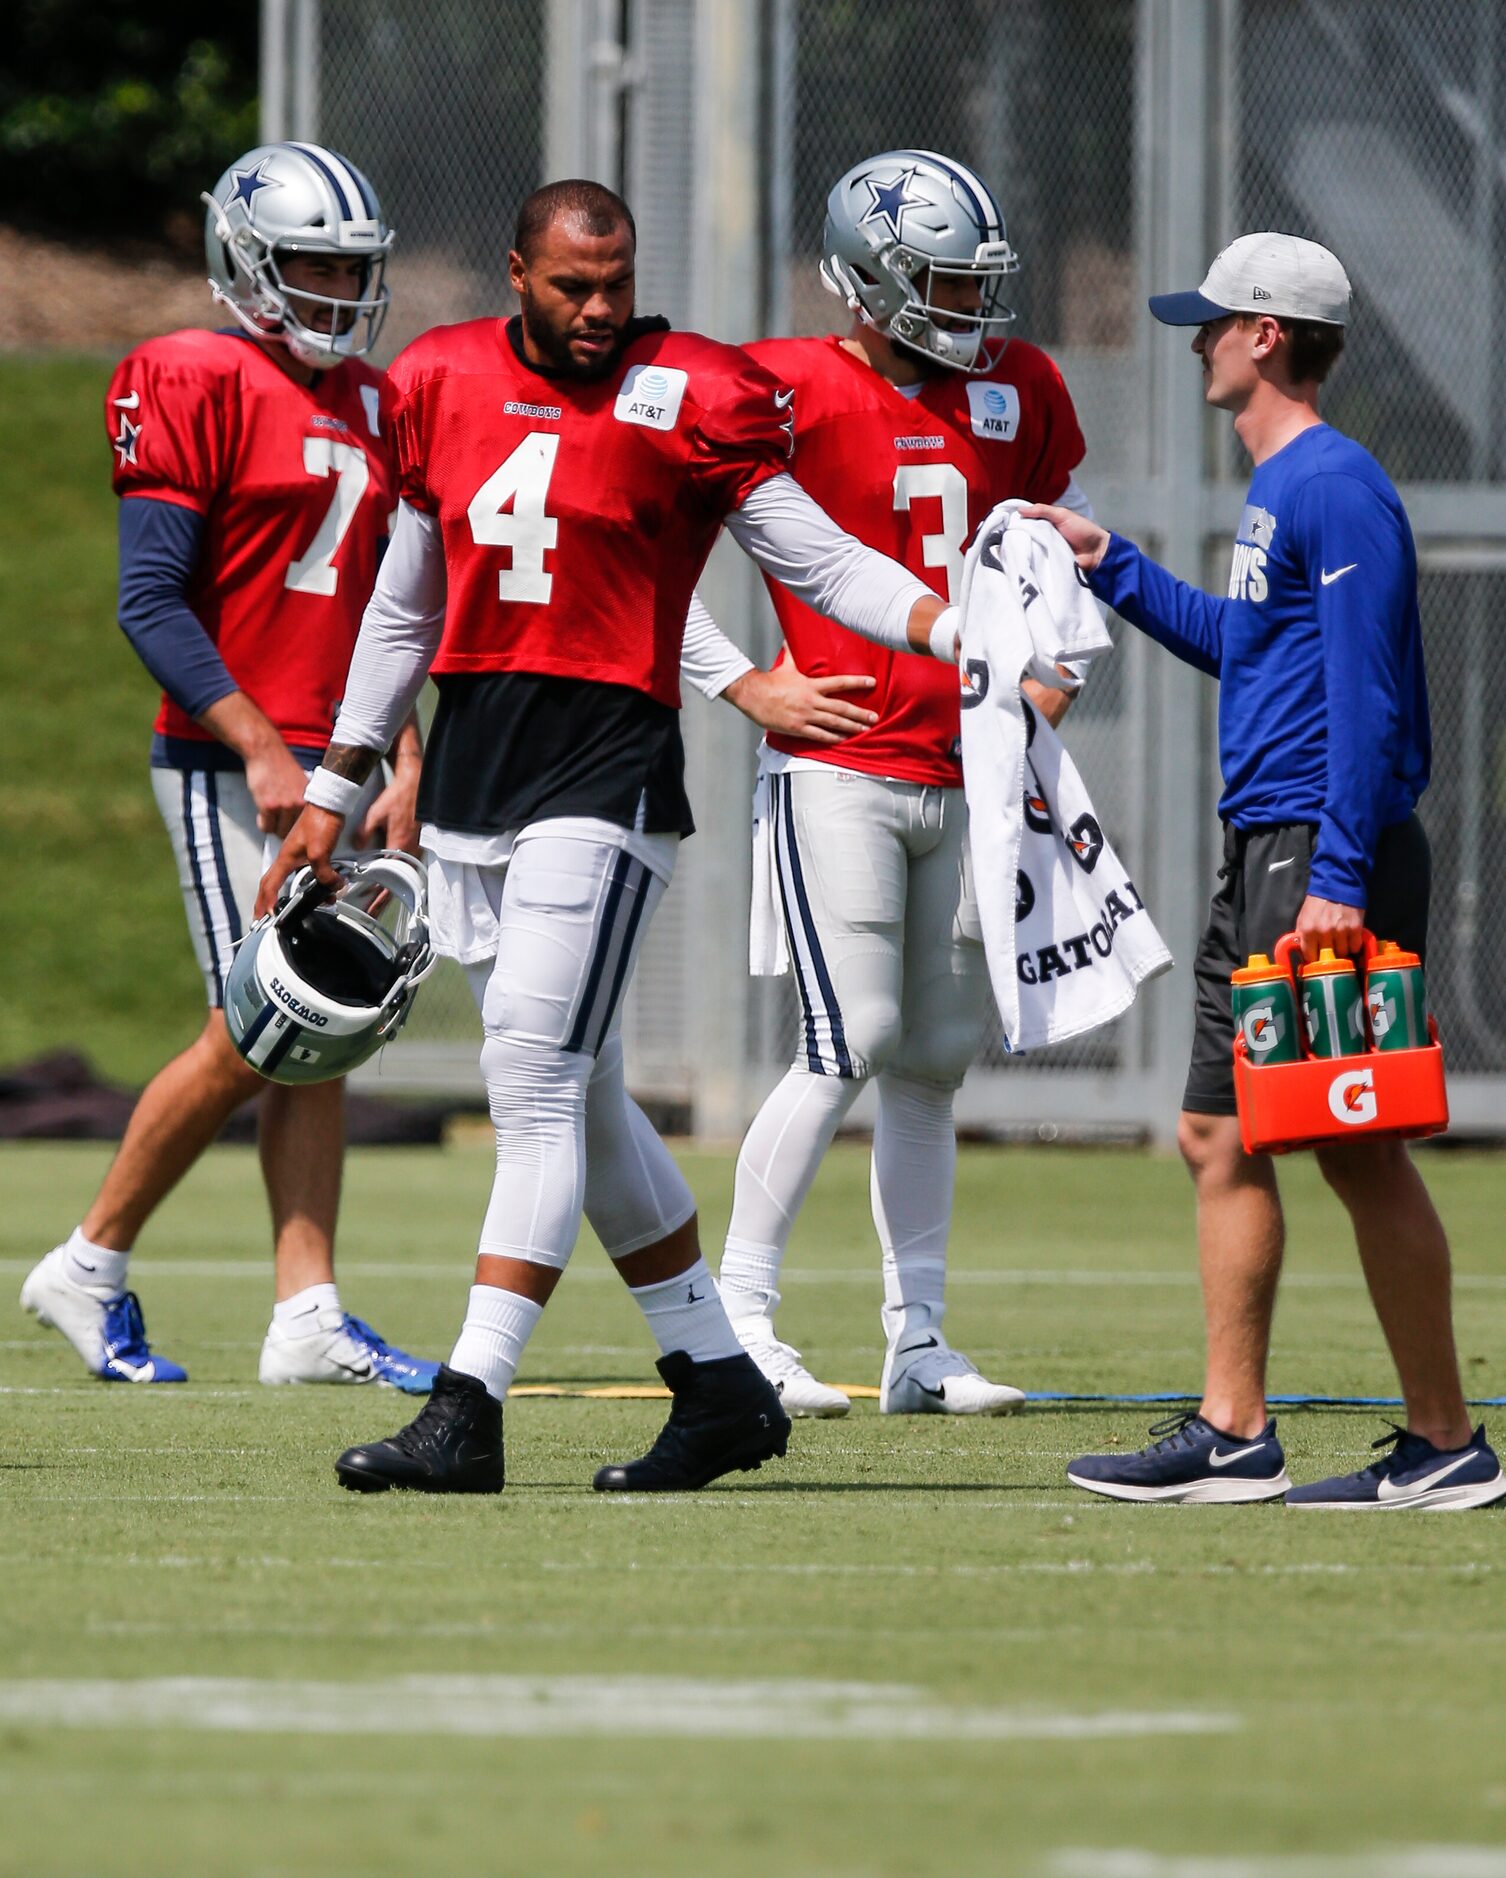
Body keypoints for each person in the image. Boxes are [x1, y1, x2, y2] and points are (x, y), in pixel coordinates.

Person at [257, 178, 959, 1496]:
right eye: (573, 285)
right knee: (581, 1093)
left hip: (606, 769)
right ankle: (719, 1389)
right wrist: (330, 794)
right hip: (475, 770)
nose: (598, 309)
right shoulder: (439, 377)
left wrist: (950, 625)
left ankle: (467, 1408)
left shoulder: (693, 388)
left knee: (530, 1078)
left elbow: (813, 556)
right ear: (515, 271)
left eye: (617, 283)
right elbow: (403, 616)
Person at [1030, 232, 1503, 1509]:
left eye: (1216, 322)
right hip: (1275, 850)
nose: (1198, 341)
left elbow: (1368, 698)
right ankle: (1234, 1433)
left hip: (1320, 854)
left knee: (1353, 1150)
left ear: (1268, 337)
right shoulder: (1281, 487)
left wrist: (1341, 877)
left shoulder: (1336, 486)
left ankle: (1447, 1441)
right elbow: (1250, 644)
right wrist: (1109, 564)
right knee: (1214, 1132)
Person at [679, 150, 1090, 1417]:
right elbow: (644, 560)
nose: (973, 311)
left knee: (935, 1059)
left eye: (979, 283)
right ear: (866, 282)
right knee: (844, 1037)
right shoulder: (779, 387)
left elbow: (1048, 554)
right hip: (838, 762)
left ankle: (919, 1342)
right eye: (942, 284)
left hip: (968, 763)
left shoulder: (1021, 385)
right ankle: (736, 1320)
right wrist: (745, 683)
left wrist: (1059, 661)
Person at [20, 143, 436, 1394]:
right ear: (246, 260)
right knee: (259, 1026)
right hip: (228, 755)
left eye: (351, 268)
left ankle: (307, 1310)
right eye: (311, 262)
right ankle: (86, 1266)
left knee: (324, 1036)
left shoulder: (376, 399)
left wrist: (401, 748)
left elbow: (390, 600)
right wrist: (260, 744)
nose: (336, 289)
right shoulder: (186, 372)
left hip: (344, 760)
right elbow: (149, 602)